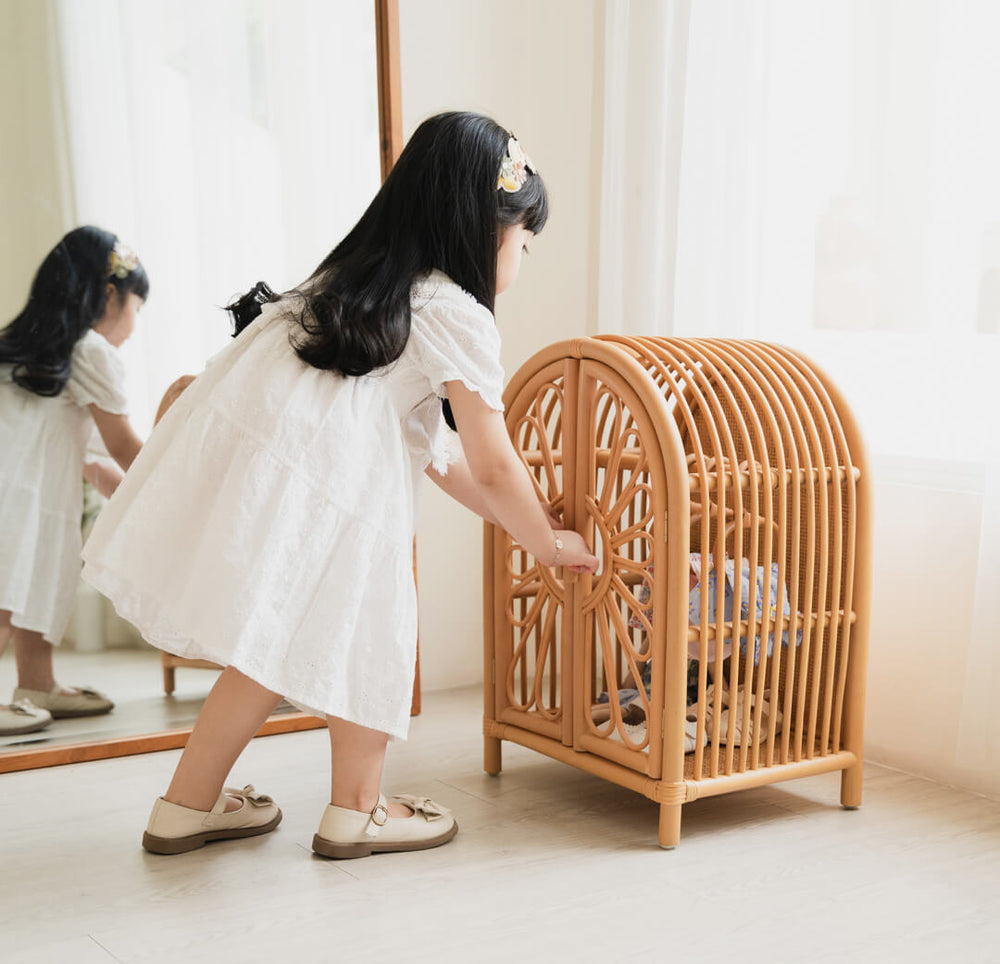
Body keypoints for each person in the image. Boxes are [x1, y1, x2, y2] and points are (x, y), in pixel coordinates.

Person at [81, 111, 600, 859]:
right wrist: (547, 544)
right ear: (482, 230)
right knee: (367, 633)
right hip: (341, 497)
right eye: (524, 241)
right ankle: (358, 811)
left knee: (267, 646)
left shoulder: (348, 288)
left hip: (283, 483)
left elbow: (441, 458)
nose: (521, 258)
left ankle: (185, 806)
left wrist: (510, 519)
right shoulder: (453, 311)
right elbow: (492, 460)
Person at [0, 226, 148, 737]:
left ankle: (36, 683)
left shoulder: (38, 352)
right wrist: (168, 485)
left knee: (39, 578)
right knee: (6, 589)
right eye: (136, 308)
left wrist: (137, 503)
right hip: (16, 491)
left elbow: (95, 462)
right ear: (109, 295)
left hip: (33, 489)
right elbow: (123, 445)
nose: (134, 325)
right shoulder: (92, 351)